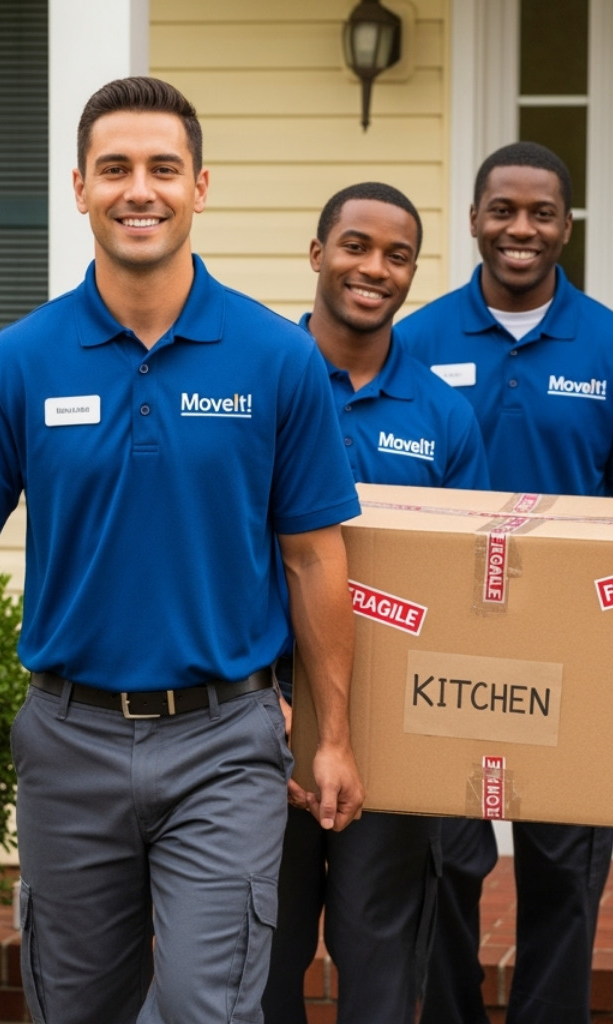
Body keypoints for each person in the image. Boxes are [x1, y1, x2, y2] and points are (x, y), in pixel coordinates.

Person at [0, 77, 365, 1024]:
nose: (141, 189)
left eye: (163, 169)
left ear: (201, 187)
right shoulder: (20, 360)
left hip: (225, 742)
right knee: (78, 1006)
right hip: (69, 740)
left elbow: (314, 558)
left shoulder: (276, 358)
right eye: (117, 169)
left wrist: (334, 734)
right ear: (80, 187)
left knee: (202, 1008)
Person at [396, 141, 613, 1024]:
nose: (521, 229)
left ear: (566, 225)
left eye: (541, 212)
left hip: (568, 648)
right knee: (444, 858)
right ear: (475, 219)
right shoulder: (416, 340)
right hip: (443, 641)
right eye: (502, 210)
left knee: (565, 864)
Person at [263, 182, 490, 1024]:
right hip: (261, 722)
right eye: (356, 245)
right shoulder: (260, 378)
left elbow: (468, 592)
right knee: (258, 970)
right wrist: (274, 705)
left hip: (395, 733)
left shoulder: (443, 414)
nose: (374, 269)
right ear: (317, 252)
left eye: (398, 256)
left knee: (384, 971)